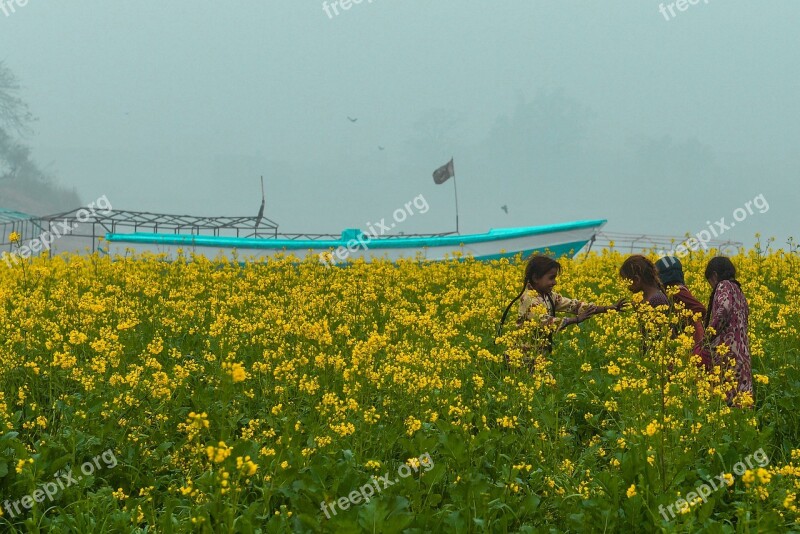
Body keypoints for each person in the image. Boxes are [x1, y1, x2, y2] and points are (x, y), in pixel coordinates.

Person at [497, 255, 625, 364]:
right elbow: (545, 322)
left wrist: (607, 308)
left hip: (538, 356)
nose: (554, 282)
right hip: (521, 357)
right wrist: (576, 320)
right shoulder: (528, 299)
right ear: (536, 278)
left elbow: (574, 305)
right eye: (551, 278)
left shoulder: (548, 296)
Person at [703, 257, 753, 407]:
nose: (712, 286)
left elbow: (723, 308)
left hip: (727, 354)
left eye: (710, 281)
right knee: (742, 402)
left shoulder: (723, 285)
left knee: (724, 402)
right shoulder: (739, 291)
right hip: (742, 355)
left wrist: (709, 335)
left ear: (714, 275)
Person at [656, 256, 711, 369]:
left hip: (689, 344)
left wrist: (685, 324)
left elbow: (700, 309)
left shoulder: (677, 291)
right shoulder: (676, 290)